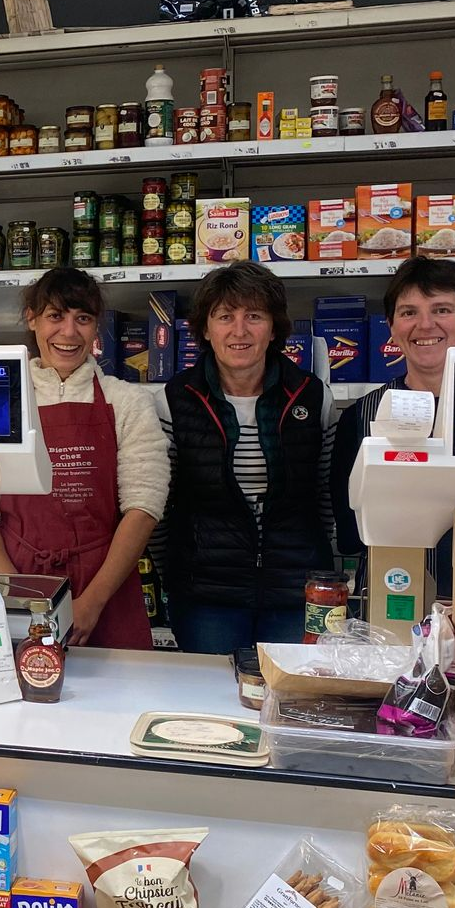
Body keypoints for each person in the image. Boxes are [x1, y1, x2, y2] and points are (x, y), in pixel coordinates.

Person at [0, 267, 168, 649]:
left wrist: (93, 601)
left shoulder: (128, 402)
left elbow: (144, 506)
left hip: (105, 583)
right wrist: (14, 590)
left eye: (82, 319)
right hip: (18, 574)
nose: (69, 332)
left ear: (96, 326)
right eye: (55, 316)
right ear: (32, 319)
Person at [154, 261, 336, 653]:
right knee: (212, 690)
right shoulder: (173, 401)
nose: (240, 330)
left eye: (254, 316)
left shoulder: (313, 397)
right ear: (206, 329)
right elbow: (160, 507)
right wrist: (175, 572)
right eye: (225, 317)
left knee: (292, 689)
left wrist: (327, 577)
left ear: (273, 328)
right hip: (206, 595)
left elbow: (325, 498)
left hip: (295, 590)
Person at [331, 255, 455, 600]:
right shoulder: (360, 417)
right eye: (409, 312)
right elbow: (350, 533)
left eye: (442, 310)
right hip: (391, 595)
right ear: (391, 326)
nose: (425, 324)